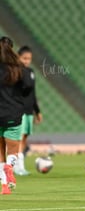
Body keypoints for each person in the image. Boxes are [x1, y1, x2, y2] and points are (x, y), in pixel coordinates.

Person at [0, 36, 33, 194]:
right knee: (12, 150)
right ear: (12, 48)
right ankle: (10, 166)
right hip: (13, 113)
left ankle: (4, 186)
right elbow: (28, 86)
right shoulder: (18, 67)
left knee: (0, 150)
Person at [13, 46, 42, 176]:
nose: (26, 61)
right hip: (20, 110)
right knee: (19, 138)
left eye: (29, 58)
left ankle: (20, 164)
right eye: (24, 58)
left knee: (24, 138)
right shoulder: (16, 72)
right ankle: (17, 166)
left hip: (29, 110)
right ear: (18, 57)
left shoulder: (31, 72)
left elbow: (33, 93)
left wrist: (37, 111)